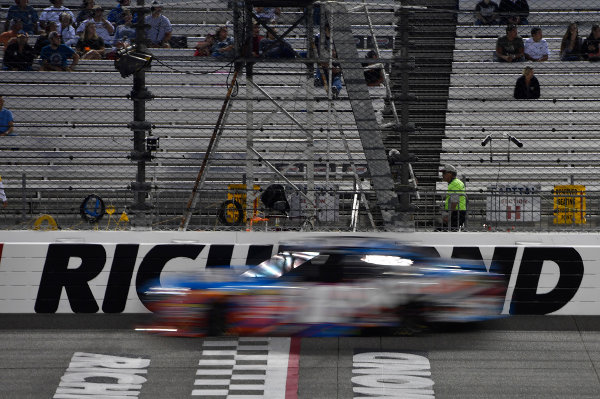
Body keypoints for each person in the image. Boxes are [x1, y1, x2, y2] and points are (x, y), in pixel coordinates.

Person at [440, 164, 466, 231]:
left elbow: (454, 201)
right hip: (456, 212)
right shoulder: (454, 183)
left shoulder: (455, 183)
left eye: (444, 173)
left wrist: (448, 215)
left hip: (456, 213)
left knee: (449, 232)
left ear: (450, 174)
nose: (442, 175)